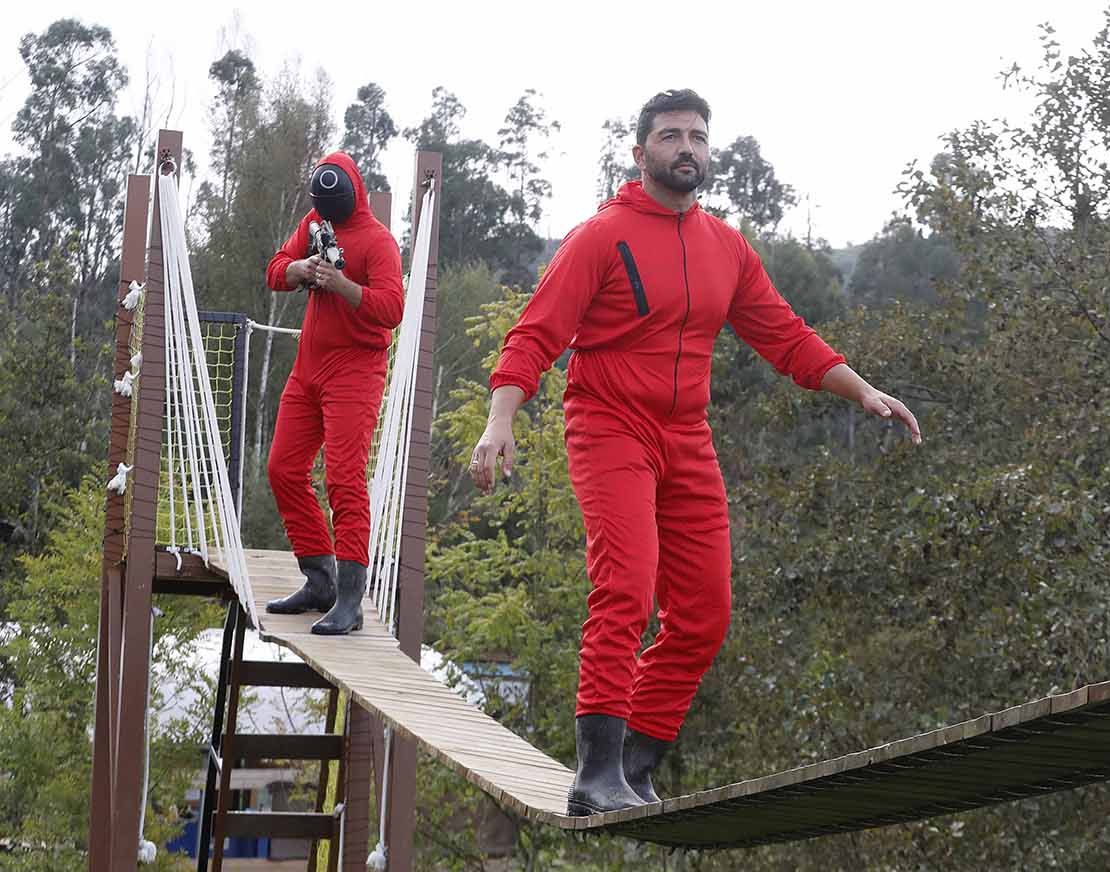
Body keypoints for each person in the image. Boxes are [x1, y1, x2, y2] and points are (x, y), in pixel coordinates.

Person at [469, 89, 921, 816]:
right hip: (610, 425)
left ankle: (637, 766)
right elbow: (535, 335)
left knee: (705, 612)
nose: (688, 147)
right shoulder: (601, 237)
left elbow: (785, 334)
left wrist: (860, 390)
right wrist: (501, 422)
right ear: (639, 151)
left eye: (699, 137)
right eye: (672, 135)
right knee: (626, 588)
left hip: (686, 436)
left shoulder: (725, 247)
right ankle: (595, 774)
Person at [262, 152, 405, 635]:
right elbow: (274, 270)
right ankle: (318, 579)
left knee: (344, 480)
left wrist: (343, 285)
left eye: (333, 209)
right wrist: (300, 270)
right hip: (309, 369)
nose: (327, 218)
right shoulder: (313, 222)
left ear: (352, 196)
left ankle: (349, 600)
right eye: (321, 210)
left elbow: (392, 308)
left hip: (356, 371)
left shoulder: (379, 242)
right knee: (282, 468)